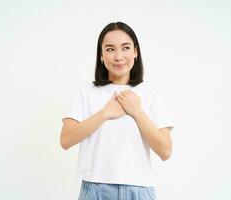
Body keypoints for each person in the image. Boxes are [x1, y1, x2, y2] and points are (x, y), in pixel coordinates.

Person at [60, 21, 174, 200]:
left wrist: (137, 112)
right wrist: (105, 113)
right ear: (101, 55)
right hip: (95, 190)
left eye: (126, 48)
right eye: (110, 49)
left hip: (140, 191)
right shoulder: (86, 92)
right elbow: (66, 139)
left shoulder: (150, 96)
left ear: (135, 52)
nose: (118, 56)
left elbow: (165, 151)